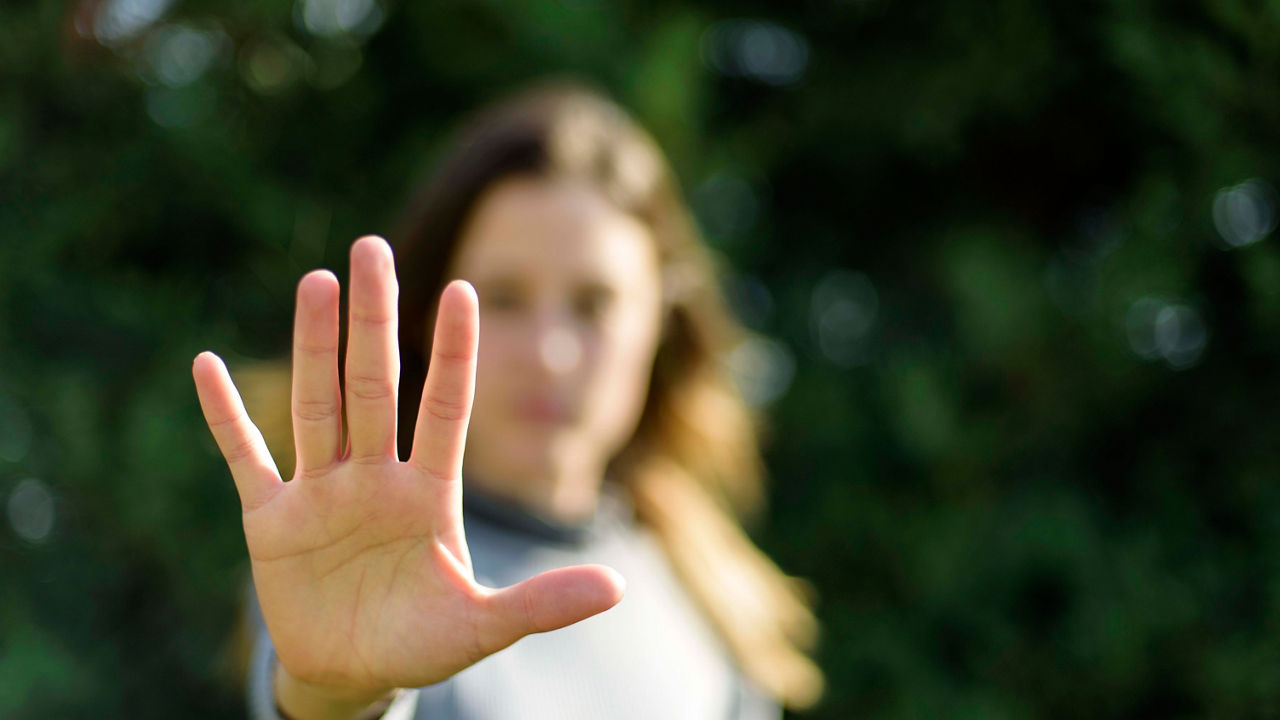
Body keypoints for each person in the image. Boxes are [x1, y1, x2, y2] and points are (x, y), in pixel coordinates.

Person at [193, 81, 821, 720]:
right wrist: (340, 696)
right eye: (502, 298)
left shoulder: (713, 590)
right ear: (423, 318)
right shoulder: (354, 560)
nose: (549, 353)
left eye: (594, 304)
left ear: (660, 323)